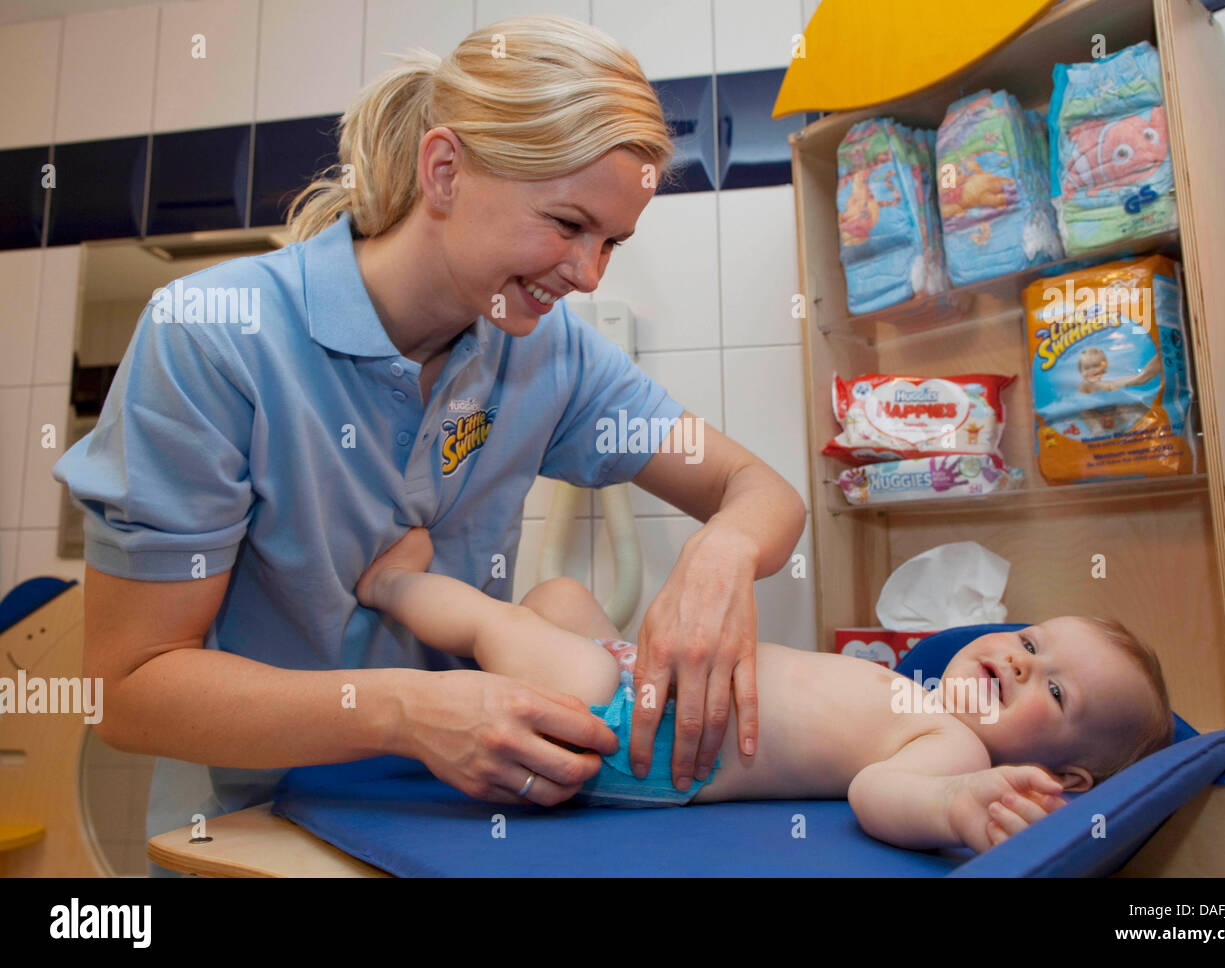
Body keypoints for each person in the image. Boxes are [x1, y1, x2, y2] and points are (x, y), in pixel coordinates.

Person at [51, 15, 804, 871]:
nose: (591, 275)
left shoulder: (546, 354)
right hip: (257, 836)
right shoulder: (216, 338)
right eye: (566, 224)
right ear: (444, 170)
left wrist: (723, 557)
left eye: (613, 243)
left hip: (465, 826)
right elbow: (127, 689)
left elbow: (761, 490)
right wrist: (409, 713)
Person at [355, 526, 1175, 851]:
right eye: (1030, 641)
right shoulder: (918, 693)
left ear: (1065, 780)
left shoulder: (954, 749)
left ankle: (394, 587)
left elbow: (877, 792)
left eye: (1056, 694)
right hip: (645, 686)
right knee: (564, 600)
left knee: (507, 629)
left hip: (632, 740)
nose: (1025, 662)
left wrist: (959, 804)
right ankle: (504, 647)